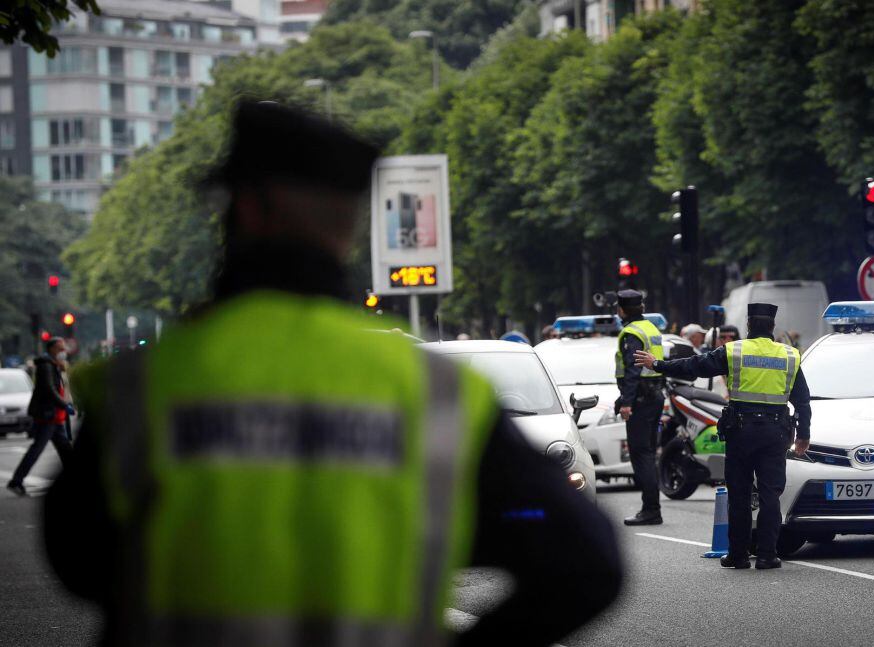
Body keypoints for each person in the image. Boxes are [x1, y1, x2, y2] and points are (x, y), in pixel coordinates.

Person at [44, 101, 621, 646]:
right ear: (348, 226)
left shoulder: (147, 384)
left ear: (247, 208)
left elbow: (75, 557)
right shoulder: (435, 391)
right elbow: (586, 564)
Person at [635, 303, 810, 569]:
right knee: (770, 496)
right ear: (772, 327)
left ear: (749, 326)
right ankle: (766, 555)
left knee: (738, 495)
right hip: (775, 433)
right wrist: (804, 435)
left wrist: (658, 364)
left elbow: (694, 366)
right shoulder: (790, 355)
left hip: (741, 432)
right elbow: (803, 401)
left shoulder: (734, 350)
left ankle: (738, 555)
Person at [614, 289, 666, 526]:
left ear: (622, 309)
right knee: (648, 453)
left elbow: (633, 370)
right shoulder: (651, 328)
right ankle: (651, 508)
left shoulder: (631, 332)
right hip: (654, 396)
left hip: (641, 400)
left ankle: (651, 510)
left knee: (641, 454)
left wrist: (626, 403)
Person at [6, 338, 75, 496]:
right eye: (60, 348)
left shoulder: (54, 365)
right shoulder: (46, 366)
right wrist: (64, 405)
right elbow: (49, 390)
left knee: (65, 449)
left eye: (63, 348)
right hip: (48, 416)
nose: (63, 351)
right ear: (51, 349)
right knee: (37, 449)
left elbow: (62, 388)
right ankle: (16, 481)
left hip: (54, 417)